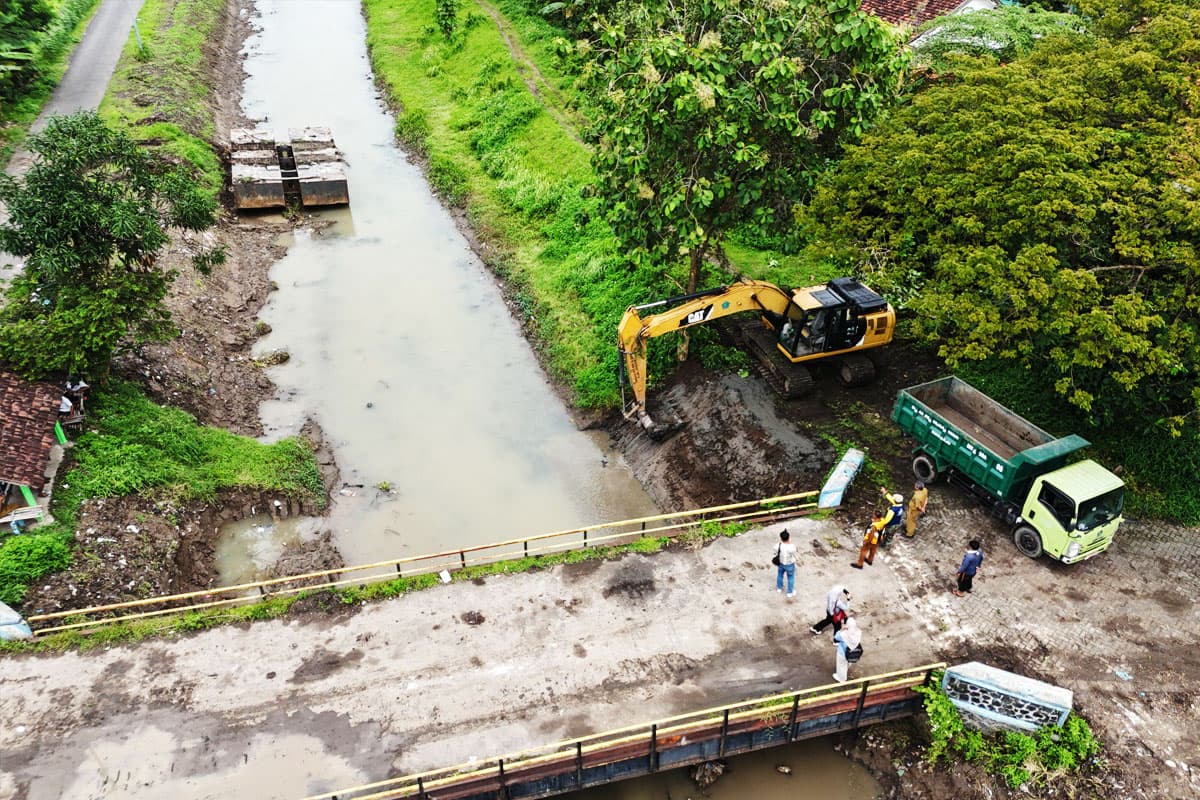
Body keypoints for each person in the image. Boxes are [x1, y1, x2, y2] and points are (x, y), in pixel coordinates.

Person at [833, 616, 862, 682]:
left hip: (843, 653)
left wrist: (842, 629)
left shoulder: (844, 634)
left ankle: (841, 678)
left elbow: (836, 637)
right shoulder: (858, 632)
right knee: (847, 663)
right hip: (852, 651)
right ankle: (845, 670)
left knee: (841, 665)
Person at [774, 529, 798, 598]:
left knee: (780, 575)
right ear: (789, 538)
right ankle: (790, 592)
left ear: (781, 538)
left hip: (781, 563)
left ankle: (779, 588)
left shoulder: (778, 545)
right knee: (790, 577)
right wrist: (790, 543)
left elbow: (775, 549)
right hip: (789, 564)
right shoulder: (791, 546)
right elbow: (795, 551)